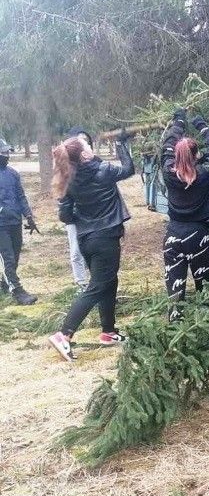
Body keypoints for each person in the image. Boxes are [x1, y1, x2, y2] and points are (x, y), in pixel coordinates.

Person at [48, 133, 135, 362]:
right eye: (87, 145)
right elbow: (128, 169)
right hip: (106, 239)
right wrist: (121, 144)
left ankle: (108, 331)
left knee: (108, 281)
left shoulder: (69, 178)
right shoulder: (103, 170)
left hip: (86, 239)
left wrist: (85, 215)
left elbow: (66, 216)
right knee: (97, 287)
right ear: (84, 153)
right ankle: (64, 334)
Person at [160, 109, 209, 312]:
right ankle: (207, 326)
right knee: (205, 286)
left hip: (172, 236)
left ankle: (175, 328)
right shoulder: (204, 173)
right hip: (199, 236)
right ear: (197, 155)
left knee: (175, 289)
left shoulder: (169, 171)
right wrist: (201, 125)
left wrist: (178, 122)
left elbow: (167, 146)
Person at [0, 137, 39, 305]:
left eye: (7, 152)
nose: (6, 155)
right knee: (8, 257)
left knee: (14, 257)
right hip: (0, 225)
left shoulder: (13, 174)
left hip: (15, 222)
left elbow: (21, 196)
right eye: (3, 153)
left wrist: (29, 216)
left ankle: (4, 284)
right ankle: (17, 291)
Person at [64, 127, 93, 290]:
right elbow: (63, 198)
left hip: (92, 216)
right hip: (75, 217)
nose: (85, 144)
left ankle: (96, 283)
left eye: (87, 141)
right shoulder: (66, 168)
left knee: (93, 250)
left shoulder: (95, 164)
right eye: (81, 141)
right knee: (76, 251)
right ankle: (81, 283)